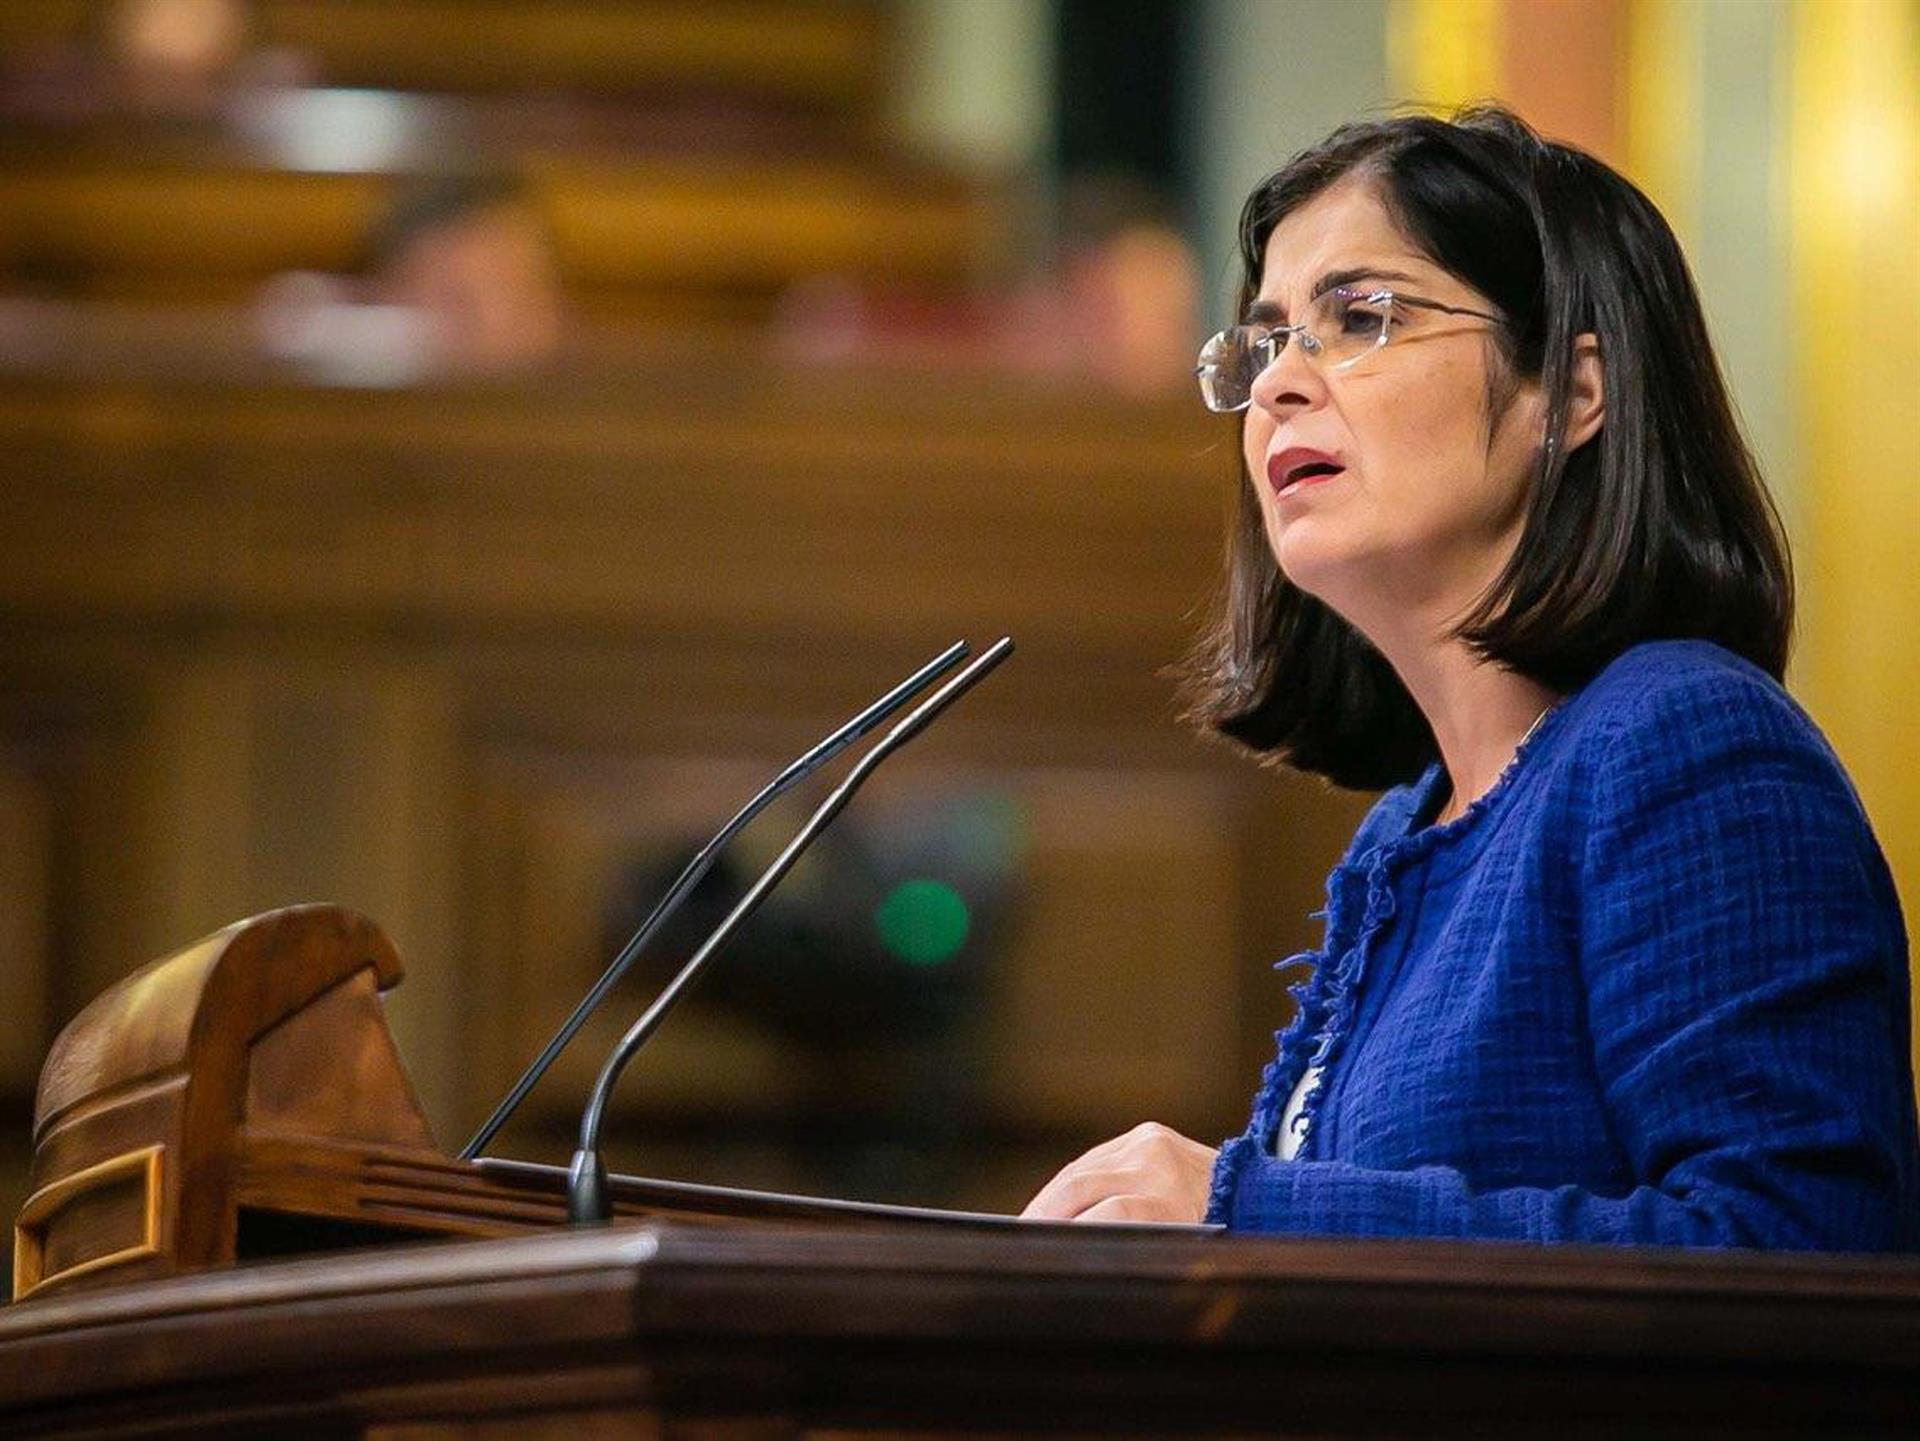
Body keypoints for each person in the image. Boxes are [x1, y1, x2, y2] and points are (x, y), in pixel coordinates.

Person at [1020, 106, 1920, 1250]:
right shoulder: (1406, 830)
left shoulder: (1690, 745)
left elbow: (1796, 1252)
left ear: (1575, 391)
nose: (1280, 388)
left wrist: (1247, 1210)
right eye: (1261, 345)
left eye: (1359, 317)